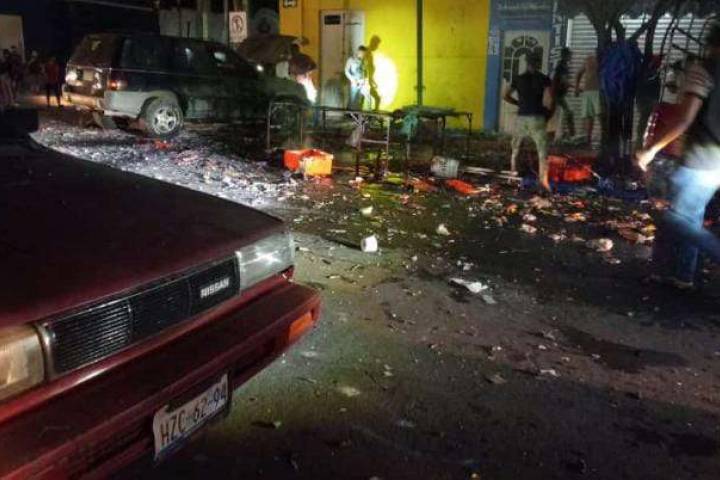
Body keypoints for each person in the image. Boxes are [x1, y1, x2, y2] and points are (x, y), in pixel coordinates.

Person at [636, 23, 720, 290]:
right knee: (681, 216)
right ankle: (670, 274)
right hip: (713, 163)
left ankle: (680, 271)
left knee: (678, 219)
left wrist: (651, 149)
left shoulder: (705, 70)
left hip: (698, 160)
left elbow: (684, 119)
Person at [503, 53, 553, 192]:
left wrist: (518, 103)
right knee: (542, 151)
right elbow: (550, 99)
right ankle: (544, 183)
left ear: (526, 63)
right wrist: (547, 115)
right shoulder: (544, 79)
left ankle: (512, 177)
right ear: (538, 63)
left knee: (516, 149)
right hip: (537, 117)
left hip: (522, 118)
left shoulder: (518, 78)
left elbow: (505, 95)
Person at [575, 54, 601, 145]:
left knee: (600, 115)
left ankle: (602, 137)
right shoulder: (589, 60)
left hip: (598, 92)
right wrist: (576, 87)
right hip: (589, 92)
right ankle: (588, 138)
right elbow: (579, 73)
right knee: (589, 116)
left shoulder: (603, 60)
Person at [551, 47, 575, 140]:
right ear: (566, 55)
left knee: (557, 113)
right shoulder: (562, 66)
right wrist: (576, 87)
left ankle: (567, 134)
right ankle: (572, 135)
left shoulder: (561, 65)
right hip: (558, 94)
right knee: (569, 112)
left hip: (558, 93)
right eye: (570, 55)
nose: (571, 57)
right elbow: (564, 81)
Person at [345, 46, 368, 110]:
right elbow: (346, 71)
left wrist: (365, 80)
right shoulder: (351, 60)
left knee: (359, 99)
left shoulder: (365, 61)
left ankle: (356, 113)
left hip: (362, 82)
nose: (363, 55)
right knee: (353, 98)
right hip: (354, 82)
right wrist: (352, 79)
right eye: (362, 53)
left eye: (364, 54)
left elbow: (365, 72)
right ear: (358, 52)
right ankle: (349, 112)